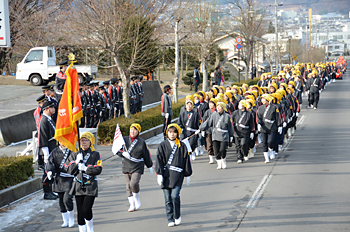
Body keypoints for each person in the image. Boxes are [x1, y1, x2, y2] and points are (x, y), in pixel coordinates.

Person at [155, 124, 192, 227]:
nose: (172, 134)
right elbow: (158, 160)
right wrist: (159, 174)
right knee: (167, 199)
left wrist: (187, 174)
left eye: (174, 132)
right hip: (166, 175)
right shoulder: (162, 145)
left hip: (177, 175)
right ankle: (170, 218)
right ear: (167, 133)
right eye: (170, 132)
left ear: (178, 133)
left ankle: (177, 215)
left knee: (174, 196)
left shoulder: (182, 145)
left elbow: (186, 160)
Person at [64, 132, 102, 232]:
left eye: (86, 140)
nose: (83, 142)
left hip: (91, 186)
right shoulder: (75, 154)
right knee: (80, 212)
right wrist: (76, 162)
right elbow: (69, 170)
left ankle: (90, 228)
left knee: (86, 209)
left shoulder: (95, 154)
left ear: (91, 142)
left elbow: (98, 169)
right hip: (78, 185)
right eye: (82, 140)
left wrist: (85, 168)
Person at [115, 123, 153, 212]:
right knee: (128, 186)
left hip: (137, 166)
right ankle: (132, 204)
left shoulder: (142, 142)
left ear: (138, 132)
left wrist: (150, 166)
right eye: (131, 129)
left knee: (134, 183)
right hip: (127, 165)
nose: (133, 131)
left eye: (135, 130)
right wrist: (122, 153)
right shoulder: (124, 140)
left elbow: (146, 155)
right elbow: (116, 149)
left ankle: (136, 198)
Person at [46, 142, 75, 228]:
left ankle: (71, 218)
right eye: (61, 141)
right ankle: (65, 220)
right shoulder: (55, 151)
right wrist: (50, 171)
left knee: (67, 199)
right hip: (59, 179)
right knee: (61, 201)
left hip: (70, 179)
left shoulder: (73, 150)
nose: (63, 143)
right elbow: (50, 162)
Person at [199, 102, 234, 169]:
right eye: (217, 106)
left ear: (223, 108)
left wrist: (231, 135)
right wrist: (201, 128)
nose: (218, 108)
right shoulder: (213, 115)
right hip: (215, 135)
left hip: (224, 135)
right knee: (216, 150)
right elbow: (208, 123)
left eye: (220, 106)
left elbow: (230, 127)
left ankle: (223, 160)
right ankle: (219, 163)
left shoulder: (227, 116)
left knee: (223, 149)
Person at [39, 101, 59, 200]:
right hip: (47, 149)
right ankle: (47, 192)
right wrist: (46, 154)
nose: (54, 109)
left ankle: (51, 190)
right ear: (47, 109)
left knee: (52, 170)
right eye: (52, 107)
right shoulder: (44, 120)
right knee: (47, 171)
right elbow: (43, 138)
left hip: (53, 148)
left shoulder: (49, 119)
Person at [256, 94, 282, 163]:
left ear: (267, 100)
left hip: (272, 127)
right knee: (264, 143)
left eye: (263, 99)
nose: (262, 100)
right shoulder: (260, 108)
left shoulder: (274, 107)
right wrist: (259, 123)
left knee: (270, 141)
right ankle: (266, 157)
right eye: (262, 99)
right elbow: (258, 117)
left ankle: (271, 150)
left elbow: (278, 117)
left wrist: (280, 125)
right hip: (264, 127)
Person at [202, 98, 217, 164]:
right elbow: (204, 121)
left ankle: (217, 156)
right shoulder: (207, 112)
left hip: (216, 131)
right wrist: (203, 129)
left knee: (215, 144)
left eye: (212, 103)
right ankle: (210, 157)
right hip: (209, 130)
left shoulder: (217, 111)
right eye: (209, 103)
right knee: (209, 144)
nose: (210, 105)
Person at [34, 94, 47, 170]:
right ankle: (40, 164)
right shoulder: (39, 111)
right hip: (40, 131)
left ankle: (41, 163)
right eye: (44, 101)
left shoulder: (39, 110)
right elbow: (40, 122)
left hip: (40, 131)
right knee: (41, 147)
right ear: (41, 102)